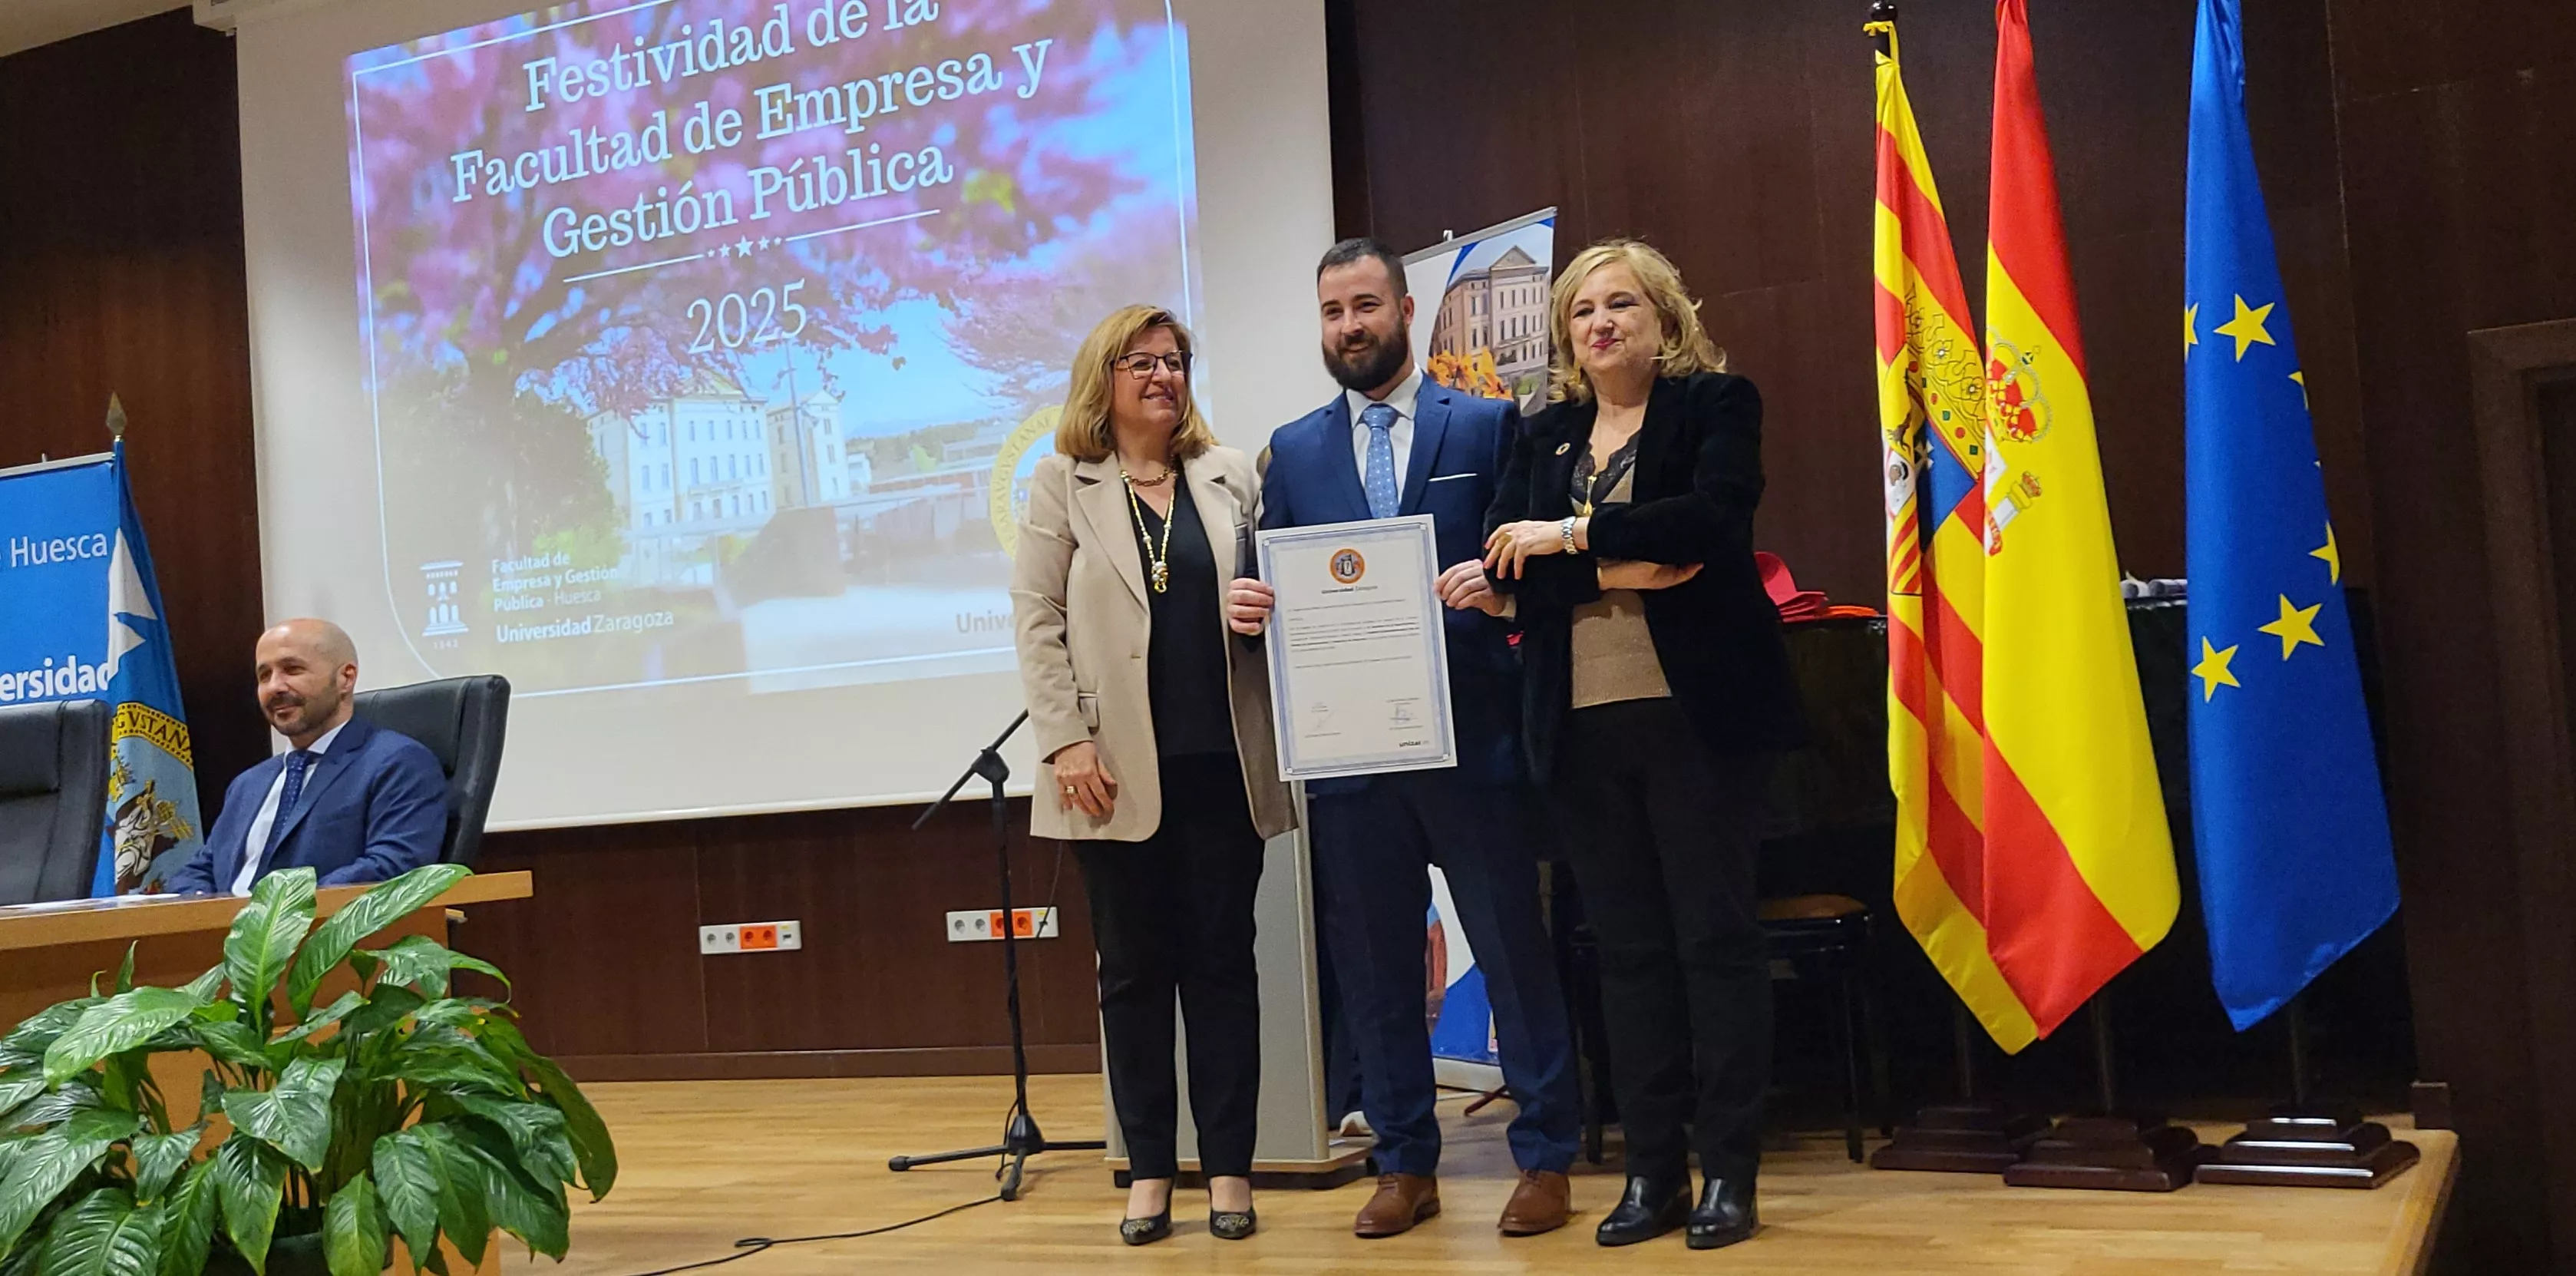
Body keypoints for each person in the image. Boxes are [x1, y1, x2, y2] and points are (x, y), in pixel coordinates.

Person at [1227, 238, 1584, 1240]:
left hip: (1473, 735)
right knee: (1377, 965)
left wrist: (1505, 584)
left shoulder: (1488, 422)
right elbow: (1276, 581)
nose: (1351, 325)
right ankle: (1403, 1158)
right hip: (1349, 753)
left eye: (1366, 305)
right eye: (1333, 310)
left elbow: (1527, 564)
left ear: (1404, 306)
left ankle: (1547, 1152)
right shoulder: (1290, 451)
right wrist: (1251, 604)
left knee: (1516, 950)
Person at [1481, 239, 1807, 1250]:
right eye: (1582, 311)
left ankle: (1730, 1173)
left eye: (1621, 304)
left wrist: (1571, 541)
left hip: (1698, 718)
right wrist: (1628, 562)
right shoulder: (1542, 435)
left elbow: (1706, 527)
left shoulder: (1717, 404)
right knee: (1628, 956)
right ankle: (1652, 1172)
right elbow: (1504, 561)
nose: (1600, 324)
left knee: (1714, 943)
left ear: (1666, 317)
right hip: (1579, 726)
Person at [1011, 304, 1295, 1246]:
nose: (1163, 377)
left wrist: (1267, 606)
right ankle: (1145, 1173)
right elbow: (1037, 623)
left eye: (1175, 362)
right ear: (1104, 377)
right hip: (1108, 772)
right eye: (1142, 362)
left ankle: (1227, 1171)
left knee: (1221, 971)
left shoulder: (1229, 477)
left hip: (1221, 764)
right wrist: (1063, 743)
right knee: (1131, 977)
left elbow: (1273, 593)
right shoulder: (1061, 484)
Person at [165, 619, 449, 895]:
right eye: (264, 675)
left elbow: (393, 867)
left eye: (292, 669)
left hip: (322, 937)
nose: (275, 686)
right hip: (222, 937)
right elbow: (199, 871)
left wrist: (272, 915)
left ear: (345, 678)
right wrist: (201, 912)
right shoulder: (248, 783)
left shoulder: (398, 763)